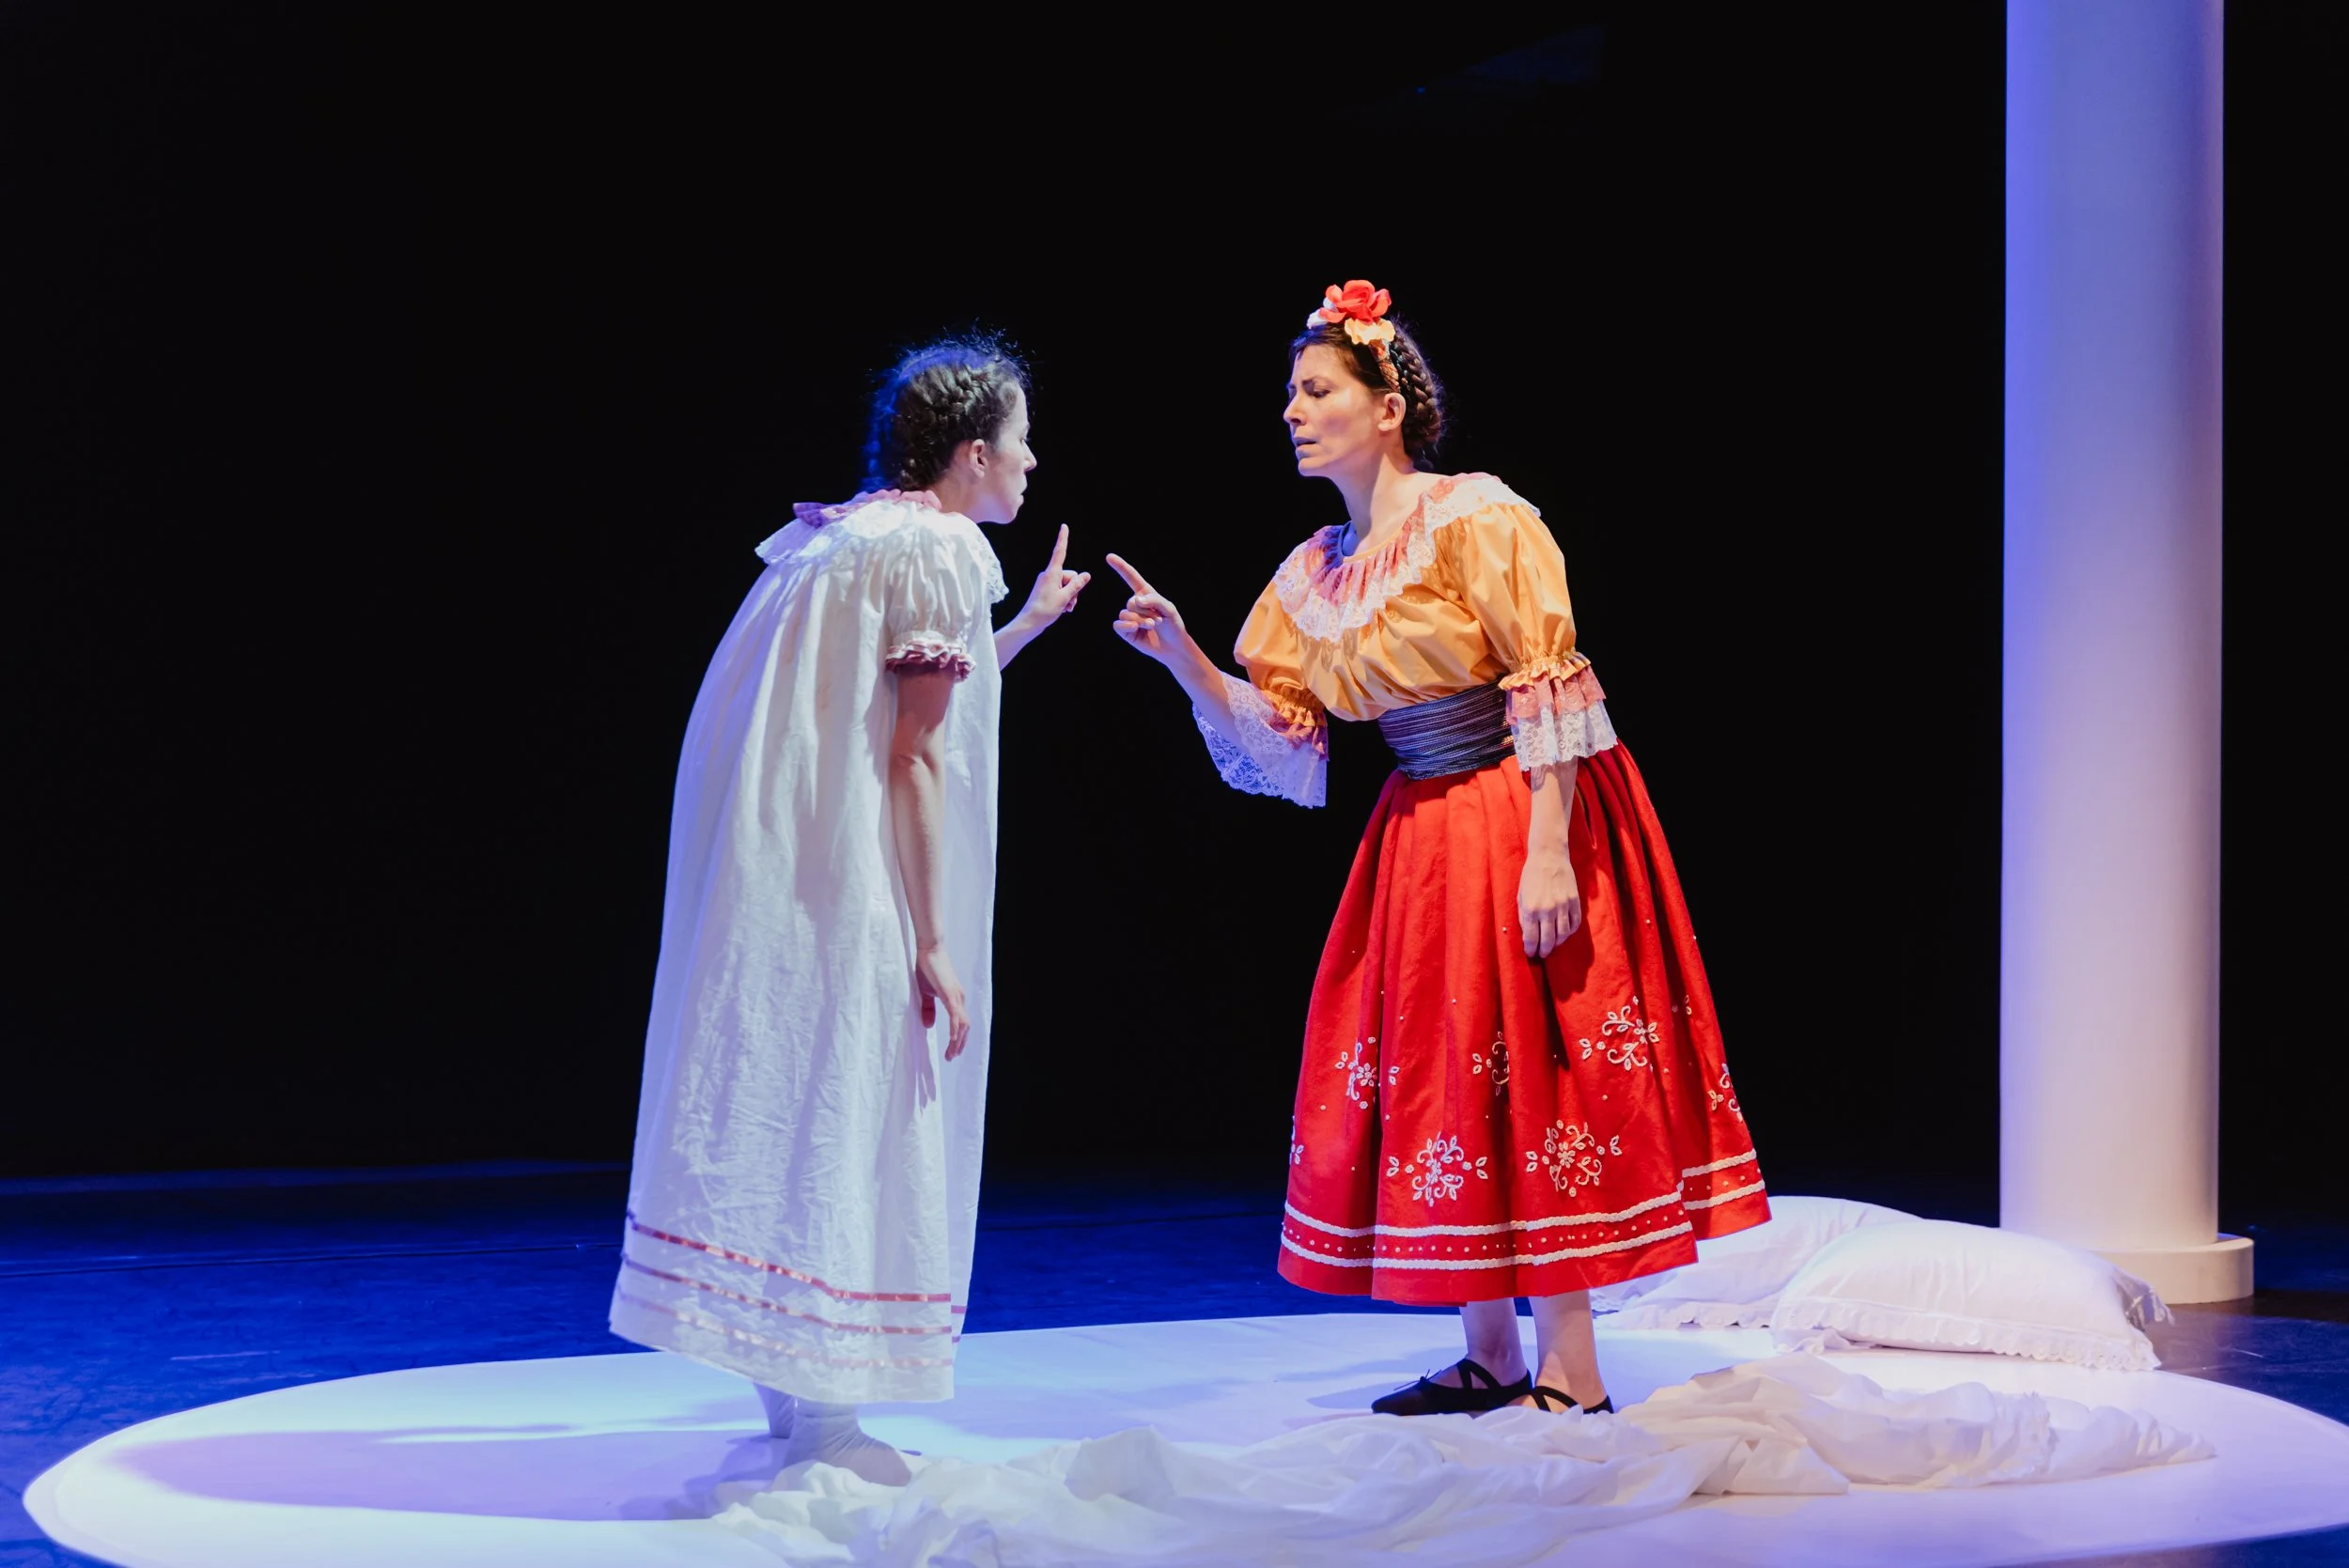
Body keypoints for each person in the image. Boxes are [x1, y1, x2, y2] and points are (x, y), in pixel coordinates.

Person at [1106, 281, 1766, 1418]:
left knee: (1542, 1059)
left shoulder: (1473, 516)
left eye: (1316, 391)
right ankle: (1491, 1353)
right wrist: (1180, 657)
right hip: (1420, 819)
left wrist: (1550, 849)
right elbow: (1288, 727)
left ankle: (1573, 1368)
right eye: (1289, 394)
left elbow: (1547, 676)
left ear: (1388, 407)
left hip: (1522, 798)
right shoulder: (1314, 571)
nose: (1292, 412)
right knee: (1452, 1064)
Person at [610, 338, 1088, 1483]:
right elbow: (915, 755)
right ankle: (825, 1415)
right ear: (973, 454)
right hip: (849, 869)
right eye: (1020, 440)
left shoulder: (843, 533)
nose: (1032, 462)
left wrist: (1015, 629)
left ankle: (792, 1398)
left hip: (779, 865)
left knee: (795, 1078)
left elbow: (897, 699)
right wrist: (933, 939)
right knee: (856, 1091)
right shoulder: (936, 543)